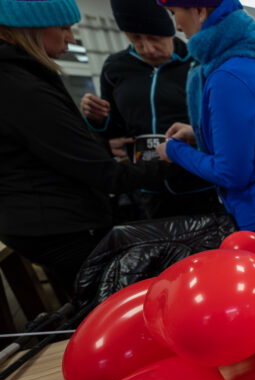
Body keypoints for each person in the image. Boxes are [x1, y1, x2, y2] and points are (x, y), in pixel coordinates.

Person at [0, 0, 182, 292]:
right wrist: (182, 158)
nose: (72, 39)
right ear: (30, 31)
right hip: (69, 222)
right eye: (63, 28)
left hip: (55, 217)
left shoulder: (25, 78)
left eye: (156, 38)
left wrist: (98, 141)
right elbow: (102, 169)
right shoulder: (24, 88)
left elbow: (57, 148)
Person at [155, 0, 255, 252]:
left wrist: (174, 151)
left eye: (174, 12)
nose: (177, 25)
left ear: (199, 11)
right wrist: (195, 132)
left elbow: (231, 173)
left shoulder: (227, 77)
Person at [80, 0, 219, 220]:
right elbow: (114, 128)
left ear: (170, 28)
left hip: (198, 182)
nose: (147, 48)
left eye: (154, 38)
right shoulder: (115, 68)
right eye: (136, 39)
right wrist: (97, 119)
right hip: (146, 187)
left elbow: (218, 121)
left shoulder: (198, 62)